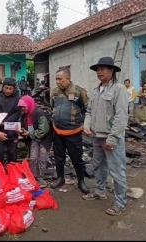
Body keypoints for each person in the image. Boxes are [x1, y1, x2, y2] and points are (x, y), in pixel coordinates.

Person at [82, 56, 129, 216]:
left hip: (111, 139)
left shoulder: (119, 89)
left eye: (103, 69)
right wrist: (87, 125)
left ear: (112, 71)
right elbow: (89, 111)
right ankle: (100, 191)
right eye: (97, 69)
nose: (99, 72)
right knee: (98, 166)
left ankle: (121, 202)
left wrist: (112, 138)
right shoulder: (96, 90)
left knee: (117, 170)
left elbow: (121, 117)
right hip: (96, 136)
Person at [50, 66, 89, 194]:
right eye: (56, 79)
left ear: (68, 78)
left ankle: (81, 181)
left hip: (74, 133)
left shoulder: (79, 92)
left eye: (60, 79)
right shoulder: (54, 92)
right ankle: (60, 178)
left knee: (76, 158)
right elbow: (53, 107)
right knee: (59, 157)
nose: (57, 81)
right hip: (58, 132)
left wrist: (85, 124)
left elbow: (87, 109)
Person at [16, 95, 53, 188]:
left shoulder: (39, 113)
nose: (23, 109)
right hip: (34, 138)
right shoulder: (24, 116)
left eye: (24, 106)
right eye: (21, 107)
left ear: (29, 104)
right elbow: (24, 128)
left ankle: (41, 178)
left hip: (44, 139)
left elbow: (43, 130)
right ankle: (33, 176)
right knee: (33, 158)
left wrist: (28, 133)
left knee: (42, 158)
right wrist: (21, 131)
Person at [0, 78, 21, 164]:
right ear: (2, 87)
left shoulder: (18, 98)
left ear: (14, 89)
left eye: (10, 89)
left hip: (12, 130)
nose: (8, 91)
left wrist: (6, 122)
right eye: (6, 88)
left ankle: (12, 172)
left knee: (12, 154)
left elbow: (17, 113)